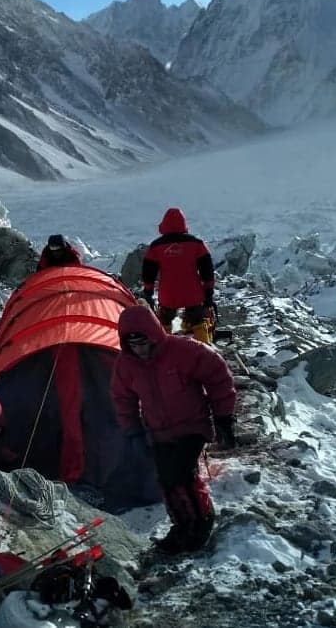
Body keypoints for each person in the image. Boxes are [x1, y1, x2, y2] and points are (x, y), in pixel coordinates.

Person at [111, 304, 236, 555]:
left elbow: (218, 376)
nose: (140, 350)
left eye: (143, 343)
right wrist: (133, 431)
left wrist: (223, 418)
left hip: (193, 425)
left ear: (154, 335)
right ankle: (181, 525)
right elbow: (122, 398)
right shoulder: (126, 365)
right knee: (166, 479)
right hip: (159, 431)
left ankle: (202, 521)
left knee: (183, 475)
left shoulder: (183, 351)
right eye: (133, 345)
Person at [141, 207, 215, 342]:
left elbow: (148, 273)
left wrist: (148, 292)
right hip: (193, 294)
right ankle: (205, 348)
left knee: (164, 322)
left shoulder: (156, 246)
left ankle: (163, 347)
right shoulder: (196, 244)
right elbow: (207, 270)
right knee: (198, 322)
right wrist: (209, 292)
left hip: (168, 295)